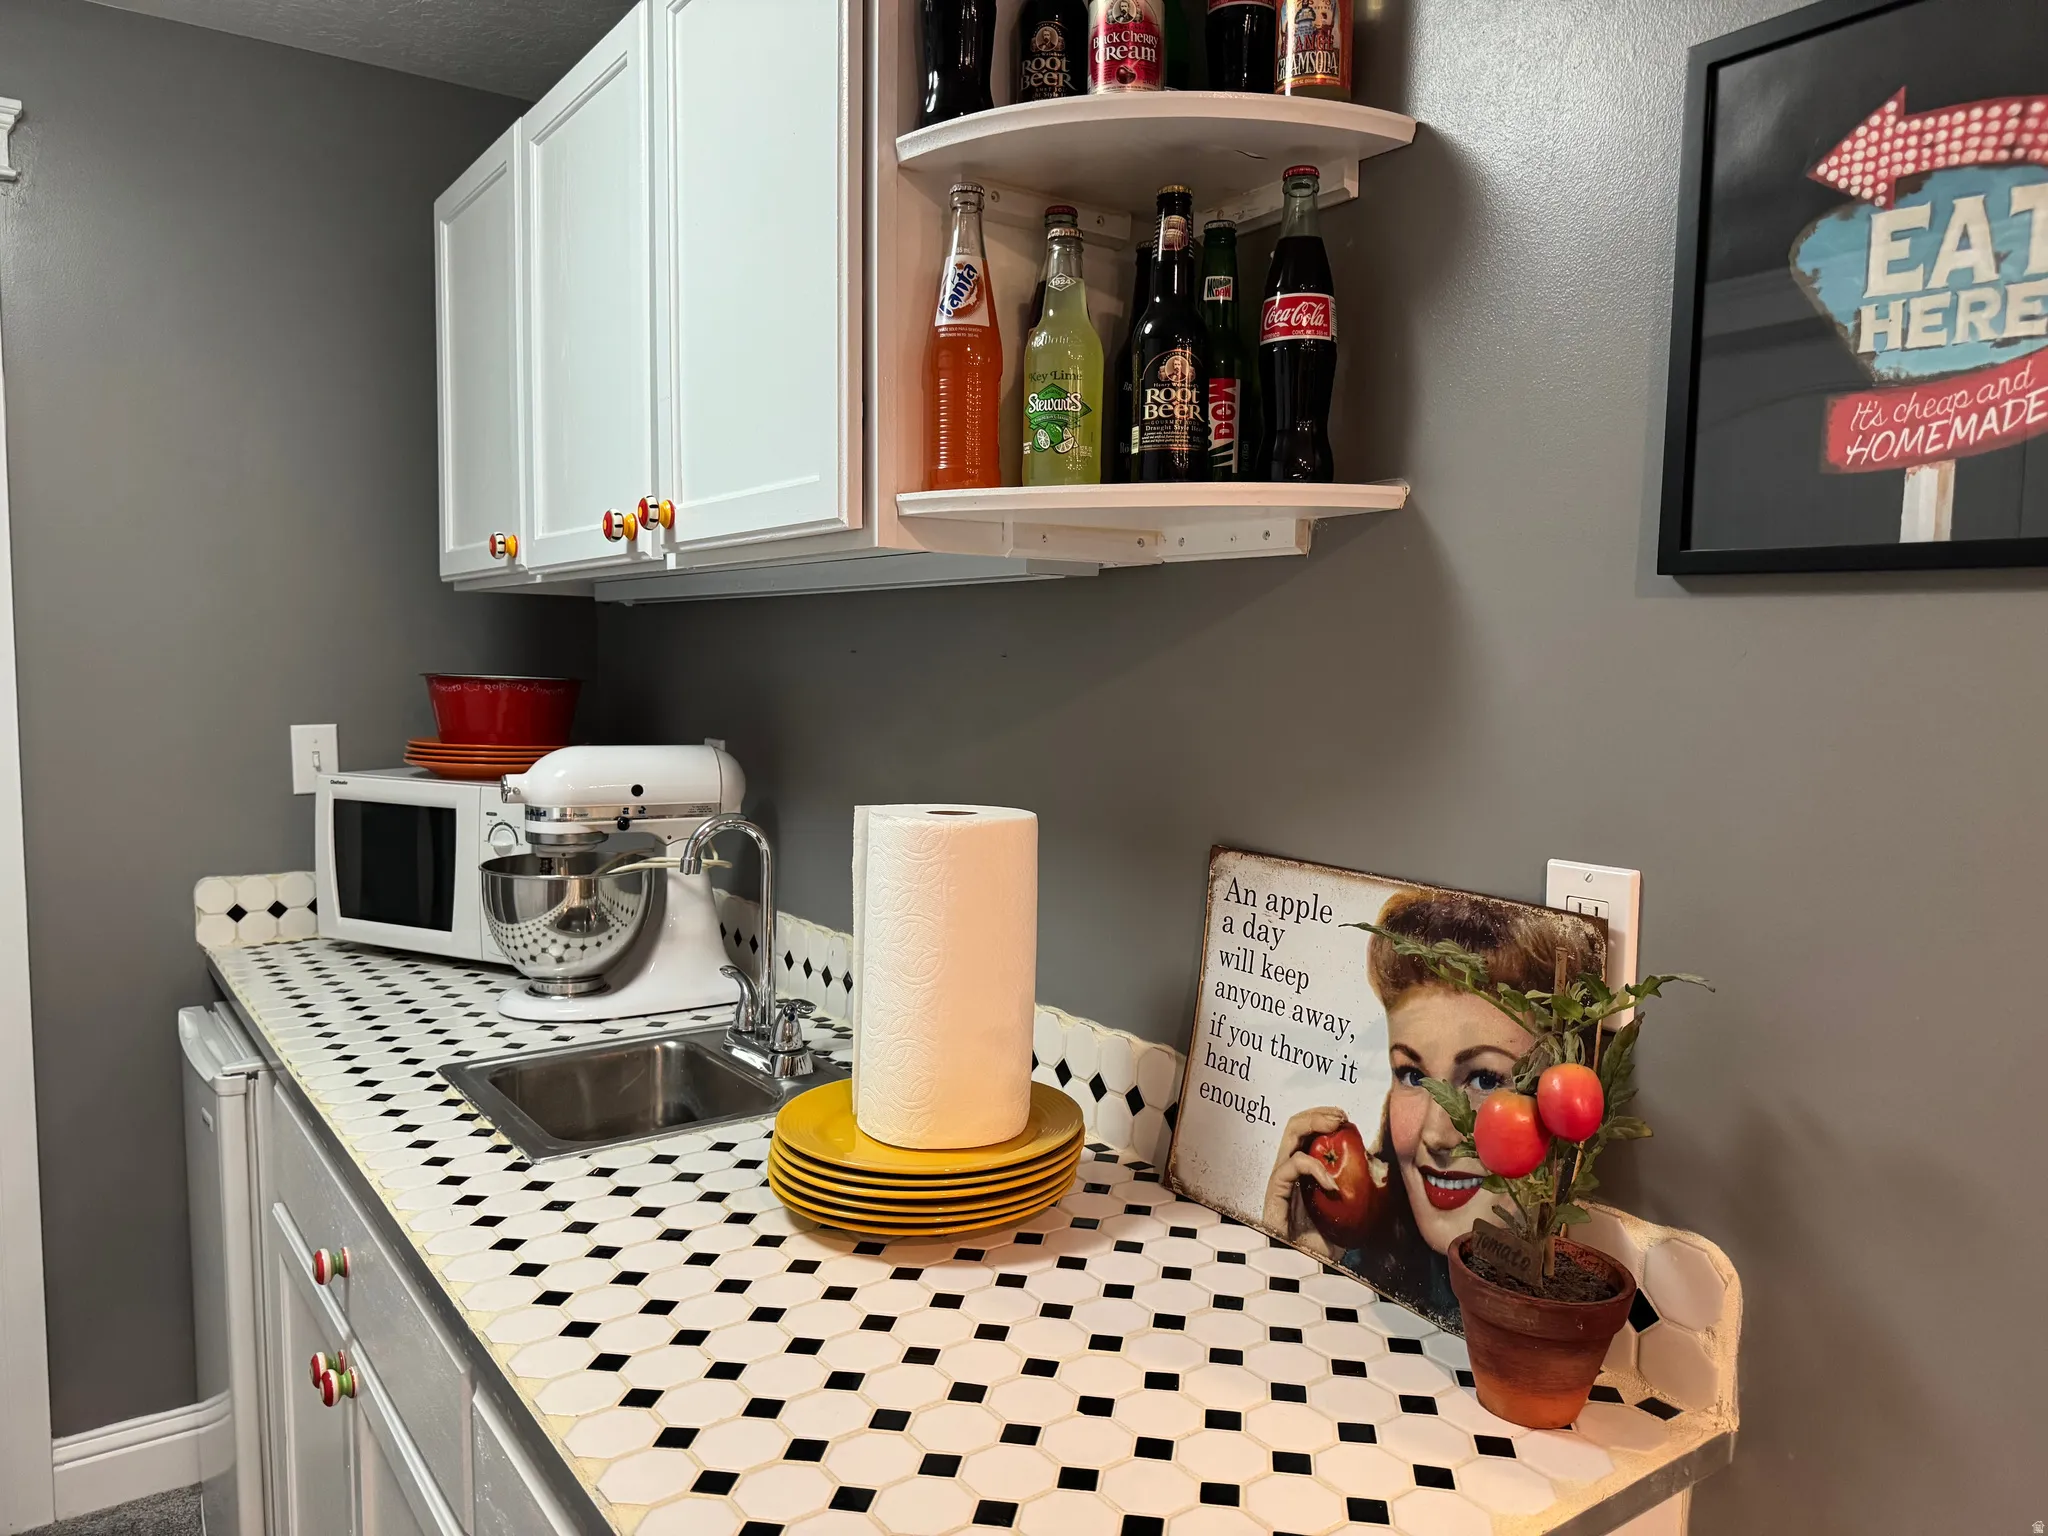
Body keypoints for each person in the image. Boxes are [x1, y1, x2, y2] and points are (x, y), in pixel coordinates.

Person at [1261, 887, 1600, 1321]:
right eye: (1412, 1076)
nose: (1437, 1134)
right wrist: (1301, 1268)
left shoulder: (1555, 1295)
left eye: (1485, 1079)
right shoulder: (1365, 1263)